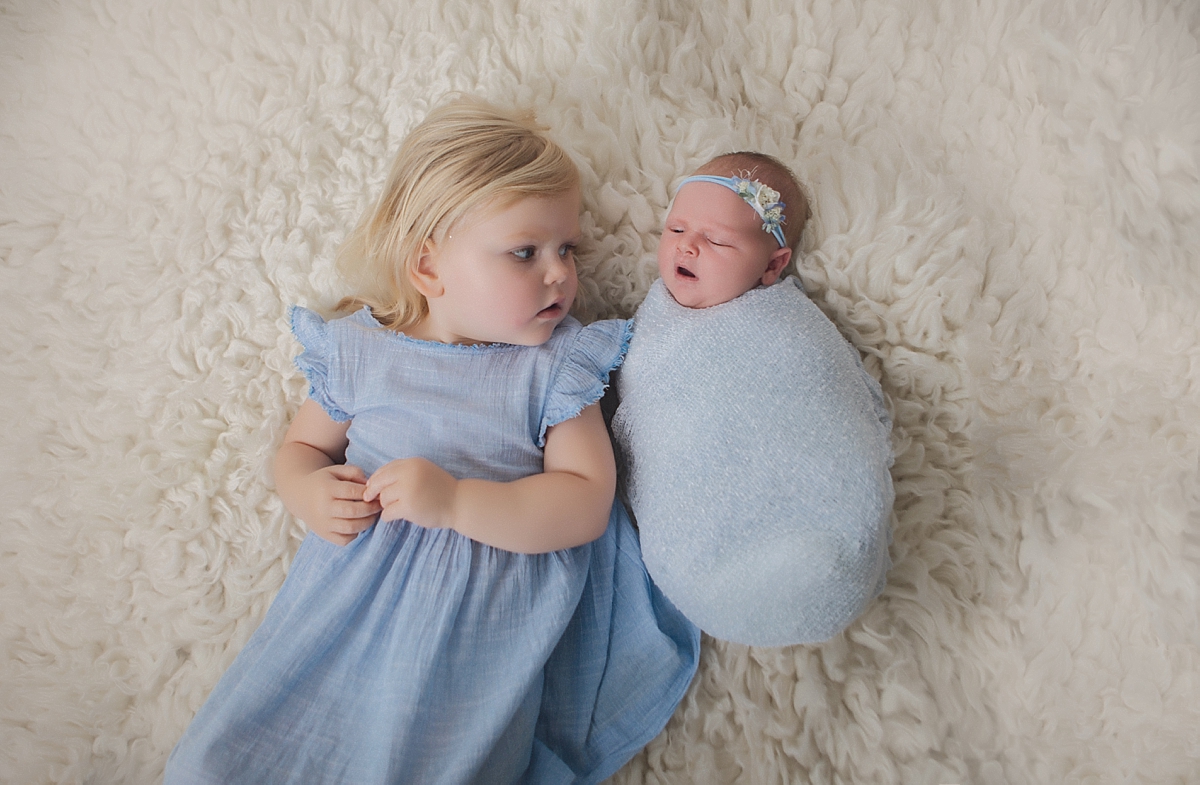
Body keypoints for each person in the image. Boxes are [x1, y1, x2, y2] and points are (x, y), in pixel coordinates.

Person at [165, 98, 699, 785]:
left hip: (474, 620)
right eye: (525, 252)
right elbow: (300, 451)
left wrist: (455, 502)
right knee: (240, 752)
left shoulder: (555, 365)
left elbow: (586, 501)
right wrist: (307, 491)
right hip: (346, 606)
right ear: (428, 267)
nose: (560, 273)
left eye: (567, 249)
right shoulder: (363, 351)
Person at [608, 152, 895, 648]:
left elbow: (822, 391)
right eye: (676, 229)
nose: (688, 246)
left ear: (772, 265)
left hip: (817, 519)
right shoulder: (654, 324)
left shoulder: (787, 325)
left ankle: (823, 553)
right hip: (704, 547)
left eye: (717, 240)